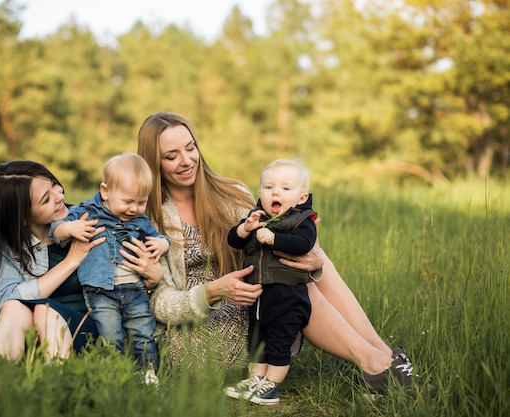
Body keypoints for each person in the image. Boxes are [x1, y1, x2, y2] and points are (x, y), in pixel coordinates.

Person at [136, 112, 415, 402]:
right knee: (288, 282)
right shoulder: (148, 218)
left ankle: (385, 357)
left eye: (190, 147)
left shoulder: (229, 193)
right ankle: (376, 364)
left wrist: (314, 259)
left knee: (305, 258)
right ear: (154, 162)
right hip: (198, 331)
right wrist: (214, 290)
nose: (186, 160)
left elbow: (277, 229)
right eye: (171, 156)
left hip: (255, 303)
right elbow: (158, 302)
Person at [0, 160, 164, 362]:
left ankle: (57, 379)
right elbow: (9, 299)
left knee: (45, 311)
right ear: (22, 217)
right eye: (46, 199)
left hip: (96, 322)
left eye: (54, 185)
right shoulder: (8, 249)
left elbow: (127, 280)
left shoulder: (89, 220)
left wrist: (153, 278)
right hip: (35, 328)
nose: (60, 197)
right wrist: (71, 261)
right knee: (15, 306)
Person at [49, 153, 169, 383]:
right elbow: (55, 230)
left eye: (141, 202)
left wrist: (162, 244)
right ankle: (116, 373)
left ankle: (148, 373)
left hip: (135, 289)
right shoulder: (88, 212)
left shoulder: (141, 221)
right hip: (100, 291)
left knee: (143, 330)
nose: (134, 208)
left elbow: (159, 237)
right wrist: (70, 229)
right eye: (127, 201)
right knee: (110, 333)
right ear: (105, 191)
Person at [224, 159, 318, 405]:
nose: (275, 192)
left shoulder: (302, 221)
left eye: (285, 188)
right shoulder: (256, 217)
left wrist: (275, 239)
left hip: (288, 297)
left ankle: (272, 385)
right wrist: (246, 228)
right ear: (260, 193)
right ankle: (255, 379)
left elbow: (303, 244)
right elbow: (234, 241)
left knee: (278, 342)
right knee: (257, 340)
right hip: (259, 297)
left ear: (301, 197)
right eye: (268, 187)